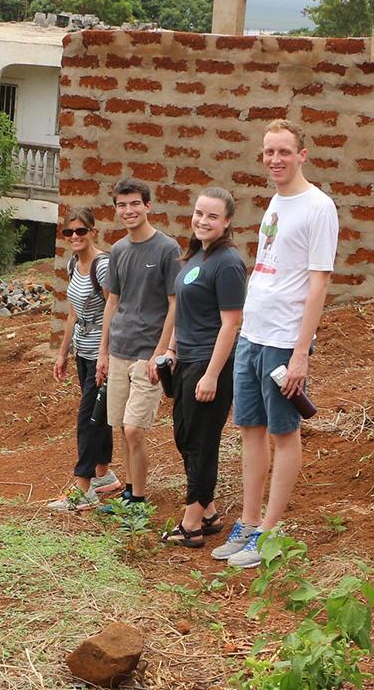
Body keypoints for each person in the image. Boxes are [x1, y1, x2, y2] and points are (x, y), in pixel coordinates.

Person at [212, 119, 338, 569]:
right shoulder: (276, 202)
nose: (275, 159)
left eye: (284, 151)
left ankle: (268, 530)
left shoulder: (319, 207)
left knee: (284, 433)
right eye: (269, 152)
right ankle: (247, 522)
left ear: (302, 154)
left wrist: (302, 352)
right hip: (253, 332)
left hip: (285, 340)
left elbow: (319, 283)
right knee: (250, 429)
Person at [160, 188, 247, 547]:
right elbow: (183, 312)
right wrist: (170, 350)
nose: (203, 221)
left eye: (212, 216)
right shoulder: (196, 256)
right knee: (185, 438)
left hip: (210, 364)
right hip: (187, 361)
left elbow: (231, 323)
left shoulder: (228, 262)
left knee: (201, 444)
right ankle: (208, 512)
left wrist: (212, 373)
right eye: (199, 213)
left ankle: (192, 524)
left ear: (226, 222)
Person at [96, 178, 182, 508]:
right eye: (122, 205)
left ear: (148, 206)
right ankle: (130, 490)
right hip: (119, 350)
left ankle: (139, 499)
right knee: (119, 425)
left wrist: (161, 353)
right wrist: (102, 353)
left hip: (148, 353)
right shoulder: (117, 250)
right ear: (116, 209)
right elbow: (113, 302)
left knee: (134, 429)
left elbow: (175, 304)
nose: (128, 210)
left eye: (135, 204)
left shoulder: (167, 249)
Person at [49, 208, 123, 511]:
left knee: (88, 419)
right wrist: (63, 352)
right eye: (70, 233)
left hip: (101, 353)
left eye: (81, 231)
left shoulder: (102, 266)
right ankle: (103, 475)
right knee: (99, 414)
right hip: (83, 348)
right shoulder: (73, 263)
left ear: (93, 231)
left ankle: (83, 488)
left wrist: (105, 354)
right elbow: (74, 311)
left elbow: (114, 309)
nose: (75, 237)